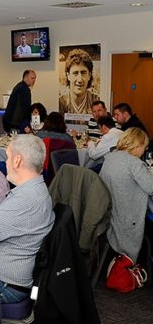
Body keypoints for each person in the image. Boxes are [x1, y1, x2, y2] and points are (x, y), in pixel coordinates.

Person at [0, 134, 55, 303]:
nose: (6, 162)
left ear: (17, 161)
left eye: (8, 156)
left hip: (4, 283)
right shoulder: (35, 189)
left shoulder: (26, 199)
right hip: (9, 275)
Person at [99, 128, 153, 262]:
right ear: (138, 145)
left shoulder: (111, 156)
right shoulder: (134, 163)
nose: (144, 151)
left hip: (112, 211)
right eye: (144, 148)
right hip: (129, 216)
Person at [58, 49, 100, 115]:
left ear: (89, 75)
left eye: (83, 73)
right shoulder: (61, 102)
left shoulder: (96, 101)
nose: (79, 80)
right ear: (68, 75)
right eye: (75, 73)